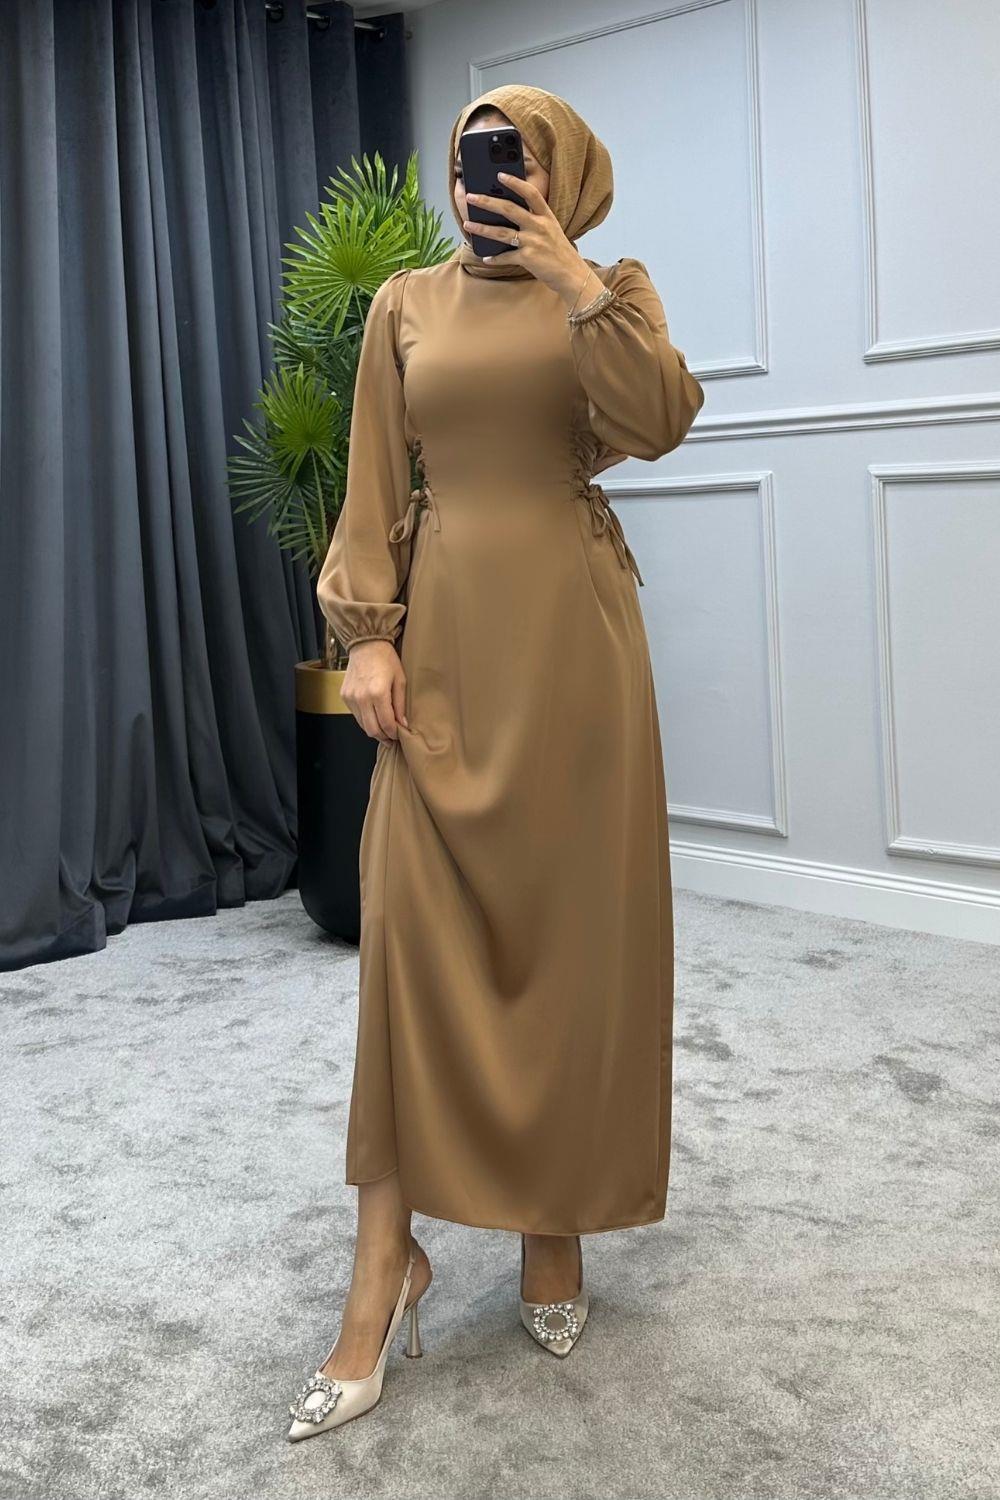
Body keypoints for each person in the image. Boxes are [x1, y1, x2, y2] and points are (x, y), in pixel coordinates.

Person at [286, 83, 705, 1440]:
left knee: (571, 943)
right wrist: (366, 634)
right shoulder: (404, 303)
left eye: (517, 161)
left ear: (564, 173)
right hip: (445, 647)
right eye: (474, 160)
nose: (489, 183)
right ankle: (381, 1266)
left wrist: (574, 280)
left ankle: (552, 1226)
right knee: (411, 947)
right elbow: (372, 473)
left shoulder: (611, 294)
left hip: (575, 658)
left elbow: (660, 417)